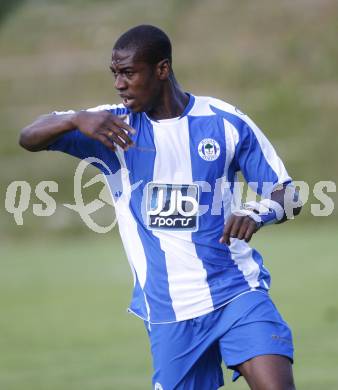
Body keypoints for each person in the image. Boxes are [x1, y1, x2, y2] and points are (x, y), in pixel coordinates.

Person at [19, 25, 301, 390]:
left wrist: (257, 212)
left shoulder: (224, 121)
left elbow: (288, 194)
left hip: (237, 293)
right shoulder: (111, 127)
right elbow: (29, 137)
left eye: (128, 73)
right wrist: (74, 119)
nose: (119, 84)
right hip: (170, 313)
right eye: (115, 74)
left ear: (162, 69)